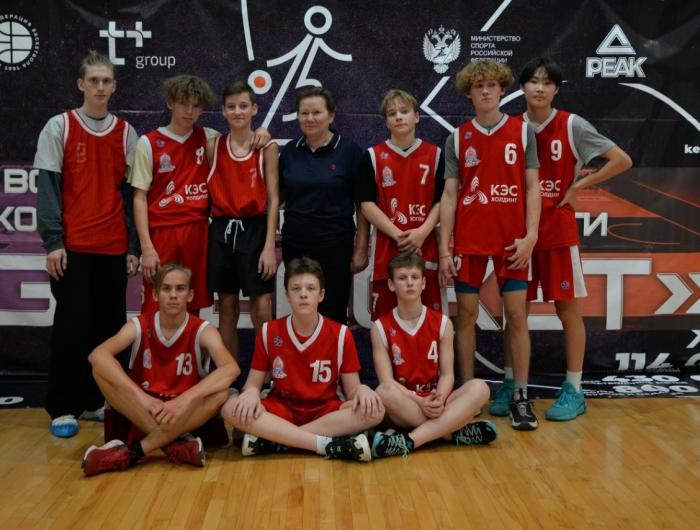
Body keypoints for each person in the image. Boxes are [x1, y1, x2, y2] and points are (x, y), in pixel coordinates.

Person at [504, 57, 632, 421]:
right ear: (522, 87)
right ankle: (512, 385)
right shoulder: (511, 127)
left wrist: (579, 185)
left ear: (556, 89)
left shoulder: (572, 124)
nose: (540, 88)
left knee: (567, 311)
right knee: (516, 313)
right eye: (533, 81)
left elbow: (621, 160)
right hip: (519, 233)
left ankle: (574, 389)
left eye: (548, 82)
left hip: (557, 230)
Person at [34, 50, 140, 438]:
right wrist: (53, 242)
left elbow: (131, 196)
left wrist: (133, 247)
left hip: (113, 248)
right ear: (81, 84)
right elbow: (48, 189)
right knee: (71, 330)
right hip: (73, 248)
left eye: (106, 81)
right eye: (93, 80)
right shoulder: (59, 126)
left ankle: (98, 402)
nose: (99, 87)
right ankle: (64, 407)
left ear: (114, 86)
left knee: (110, 332)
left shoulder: (127, 133)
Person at [439, 59, 542, 431]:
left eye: (491, 85)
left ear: (502, 89)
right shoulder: (457, 138)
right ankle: (468, 396)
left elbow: (533, 187)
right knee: (465, 318)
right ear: (469, 93)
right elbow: (449, 196)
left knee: (516, 317)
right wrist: (446, 248)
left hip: (513, 243)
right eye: (478, 86)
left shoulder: (523, 131)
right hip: (470, 242)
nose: (485, 91)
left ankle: (520, 397)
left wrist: (531, 236)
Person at [130, 75, 271, 315]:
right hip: (162, 234)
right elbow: (139, 198)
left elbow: (240, 137)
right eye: (183, 103)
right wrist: (147, 247)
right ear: (170, 103)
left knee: (190, 305)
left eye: (196, 106)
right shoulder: (148, 143)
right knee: (156, 307)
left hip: (199, 232)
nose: (189, 111)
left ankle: (189, 343)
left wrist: (262, 130)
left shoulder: (210, 138)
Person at [82, 263, 240, 476]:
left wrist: (184, 400)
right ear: (155, 294)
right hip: (144, 410)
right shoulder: (139, 324)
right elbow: (97, 355)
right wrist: (140, 396)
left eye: (180, 289)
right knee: (100, 371)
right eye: (166, 289)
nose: (173, 295)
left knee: (221, 392)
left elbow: (231, 369)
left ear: (190, 295)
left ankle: (134, 453)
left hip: (184, 415)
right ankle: (174, 445)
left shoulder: (203, 329)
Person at [221, 257, 384, 461]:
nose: (303, 294)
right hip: (282, 408)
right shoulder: (269, 331)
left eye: (310, 288)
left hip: (326, 410)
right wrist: (251, 392)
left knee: (375, 411)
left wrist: (362, 390)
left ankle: (278, 440)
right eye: (296, 289)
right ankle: (325, 444)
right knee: (230, 408)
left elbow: (352, 391)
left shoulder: (341, 334)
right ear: (287, 296)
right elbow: (253, 384)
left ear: (321, 295)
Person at [370, 254, 497, 458]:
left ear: (423, 284)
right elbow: (387, 381)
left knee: (480, 388)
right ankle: (450, 433)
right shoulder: (380, 328)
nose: (409, 283)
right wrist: (420, 402)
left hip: (436, 398)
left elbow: (447, 374)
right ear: (391, 285)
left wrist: (439, 399)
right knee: (384, 392)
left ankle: (410, 441)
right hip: (406, 404)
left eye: (414, 277)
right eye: (402, 278)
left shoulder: (443, 323)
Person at [279, 87, 369, 325]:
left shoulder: (349, 151)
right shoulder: (289, 151)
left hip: (335, 246)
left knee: (333, 314)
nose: (310, 118)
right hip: (295, 245)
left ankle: (333, 352)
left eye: (316, 112)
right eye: (304, 113)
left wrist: (361, 248)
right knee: (301, 311)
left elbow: (362, 205)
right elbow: (277, 195)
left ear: (331, 116)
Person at [206, 81, 279, 374]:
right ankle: (230, 377)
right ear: (223, 111)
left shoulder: (267, 147)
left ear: (254, 109)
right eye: (232, 106)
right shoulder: (213, 146)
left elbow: (274, 199)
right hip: (222, 230)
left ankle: (267, 378)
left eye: (243, 106)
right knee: (227, 311)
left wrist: (269, 246)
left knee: (262, 311)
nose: (238, 111)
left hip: (255, 230)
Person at [355, 90, 446, 320]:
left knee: (430, 325)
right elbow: (366, 205)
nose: (398, 117)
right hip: (387, 251)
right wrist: (400, 236)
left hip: (426, 250)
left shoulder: (435, 155)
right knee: (385, 326)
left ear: (417, 116)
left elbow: (442, 201)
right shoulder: (372, 156)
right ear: (386, 122)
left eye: (404, 111)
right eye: (392, 113)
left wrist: (422, 232)